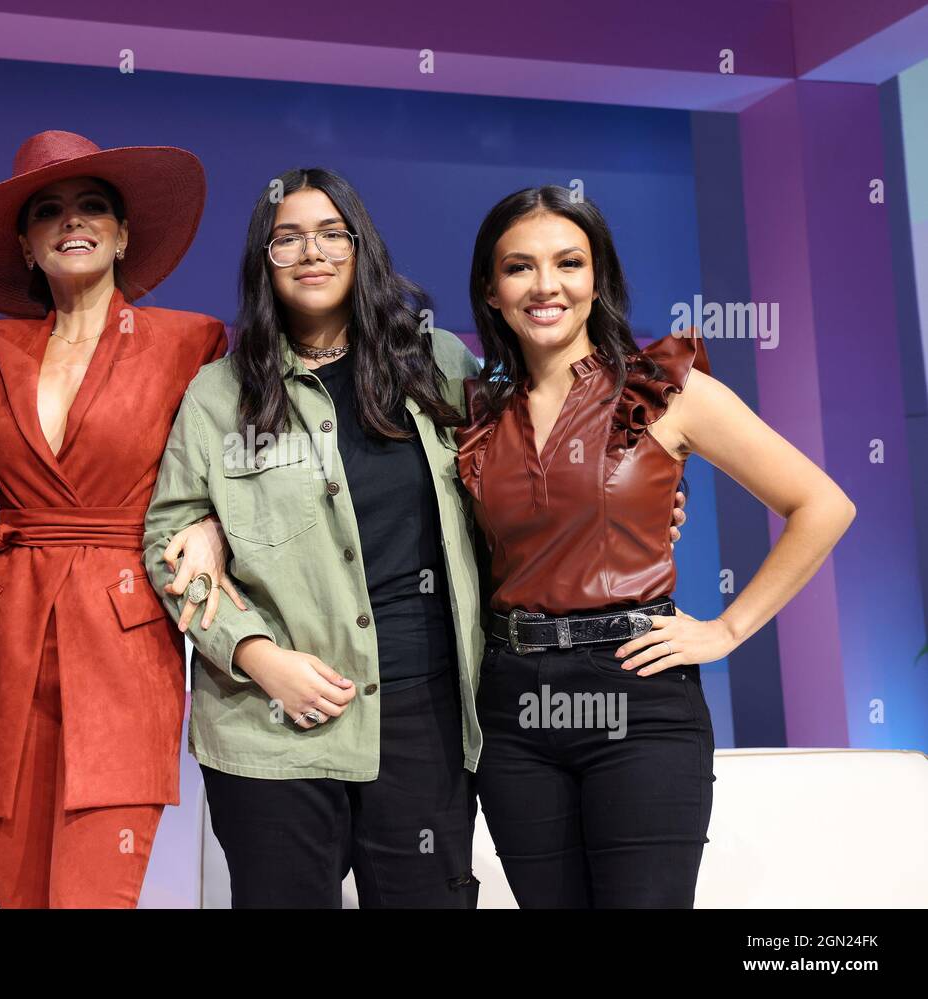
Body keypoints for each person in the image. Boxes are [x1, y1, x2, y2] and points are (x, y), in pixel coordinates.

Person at [144, 168, 688, 907]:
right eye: (288, 239)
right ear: (262, 261)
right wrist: (256, 654)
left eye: (333, 234)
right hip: (272, 723)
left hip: (425, 717)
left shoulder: (441, 370)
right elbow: (167, 538)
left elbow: (525, 485)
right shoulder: (217, 394)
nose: (313, 252)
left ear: (361, 248)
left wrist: (634, 515)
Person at [457, 185, 856, 908]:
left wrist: (728, 628)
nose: (546, 285)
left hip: (638, 695)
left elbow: (823, 504)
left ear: (598, 277)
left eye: (568, 263)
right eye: (519, 267)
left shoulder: (668, 389)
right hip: (511, 705)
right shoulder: (475, 415)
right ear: (490, 288)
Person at [0, 130, 241, 908]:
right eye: (49, 210)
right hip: (4, 645)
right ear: (26, 241)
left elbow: (229, 475)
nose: (73, 222)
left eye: (93, 206)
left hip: (123, 645)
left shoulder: (190, 341)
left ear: (124, 231)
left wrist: (210, 521)